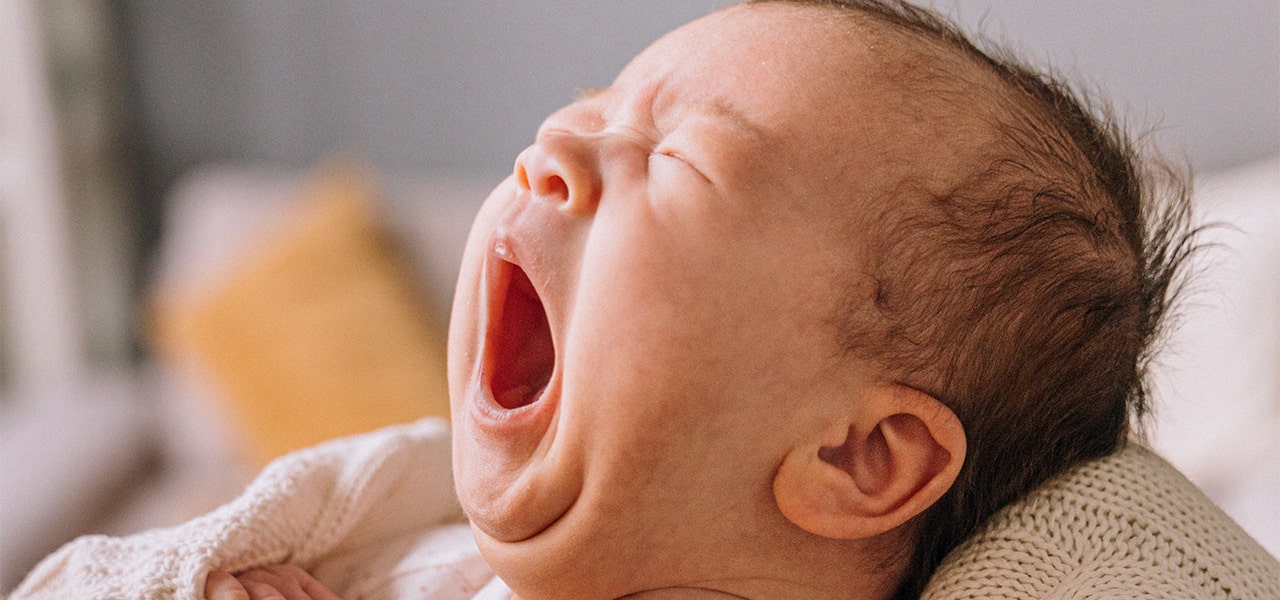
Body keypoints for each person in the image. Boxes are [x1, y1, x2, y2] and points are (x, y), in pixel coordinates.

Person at [15, 1, 1207, 599]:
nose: (550, 147)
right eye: (591, 106)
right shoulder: (393, 535)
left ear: (860, 455)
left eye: (676, 159)